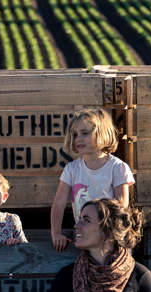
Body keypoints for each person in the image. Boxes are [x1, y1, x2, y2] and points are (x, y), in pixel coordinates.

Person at [50, 108, 134, 252]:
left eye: (85, 133)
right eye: (75, 135)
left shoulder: (117, 167)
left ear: (101, 133)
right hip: (84, 238)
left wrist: (110, 235)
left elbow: (121, 206)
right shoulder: (71, 169)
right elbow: (58, 204)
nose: (78, 139)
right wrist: (56, 234)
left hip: (110, 239)